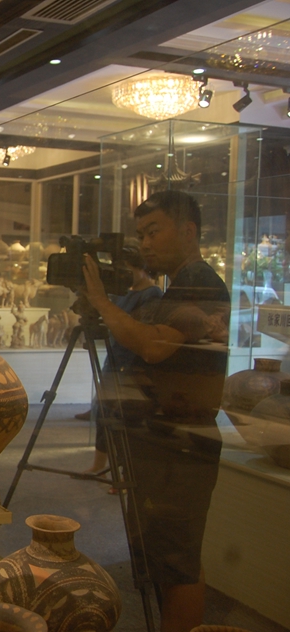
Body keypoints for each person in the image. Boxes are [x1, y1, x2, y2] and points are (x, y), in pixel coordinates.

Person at [81, 190, 229, 632]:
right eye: (141, 234)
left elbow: (153, 346)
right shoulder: (181, 283)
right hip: (168, 441)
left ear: (188, 231)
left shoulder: (200, 280)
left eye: (154, 232)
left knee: (176, 564)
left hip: (180, 446)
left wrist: (101, 301)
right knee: (167, 559)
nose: (144, 244)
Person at [79, 247, 163, 474]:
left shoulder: (151, 294)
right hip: (116, 357)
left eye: (127, 269)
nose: (123, 275)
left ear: (141, 268)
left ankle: (124, 471)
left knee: (124, 417)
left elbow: (139, 330)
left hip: (133, 362)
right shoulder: (123, 293)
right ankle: (99, 464)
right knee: (104, 411)